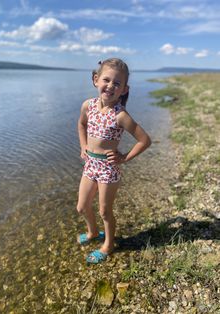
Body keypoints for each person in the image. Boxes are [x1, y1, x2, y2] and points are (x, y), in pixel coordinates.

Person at [77, 58, 151, 264]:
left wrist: (124, 158)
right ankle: (92, 233)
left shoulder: (120, 116)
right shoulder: (88, 106)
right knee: (82, 207)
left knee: (104, 211)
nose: (110, 86)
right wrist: (83, 145)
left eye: (116, 83)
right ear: (95, 80)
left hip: (109, 169)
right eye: (106, 80)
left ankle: (108, 245)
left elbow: (144, 140)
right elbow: (81, 125)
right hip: (90, 164)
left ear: (124, 89)